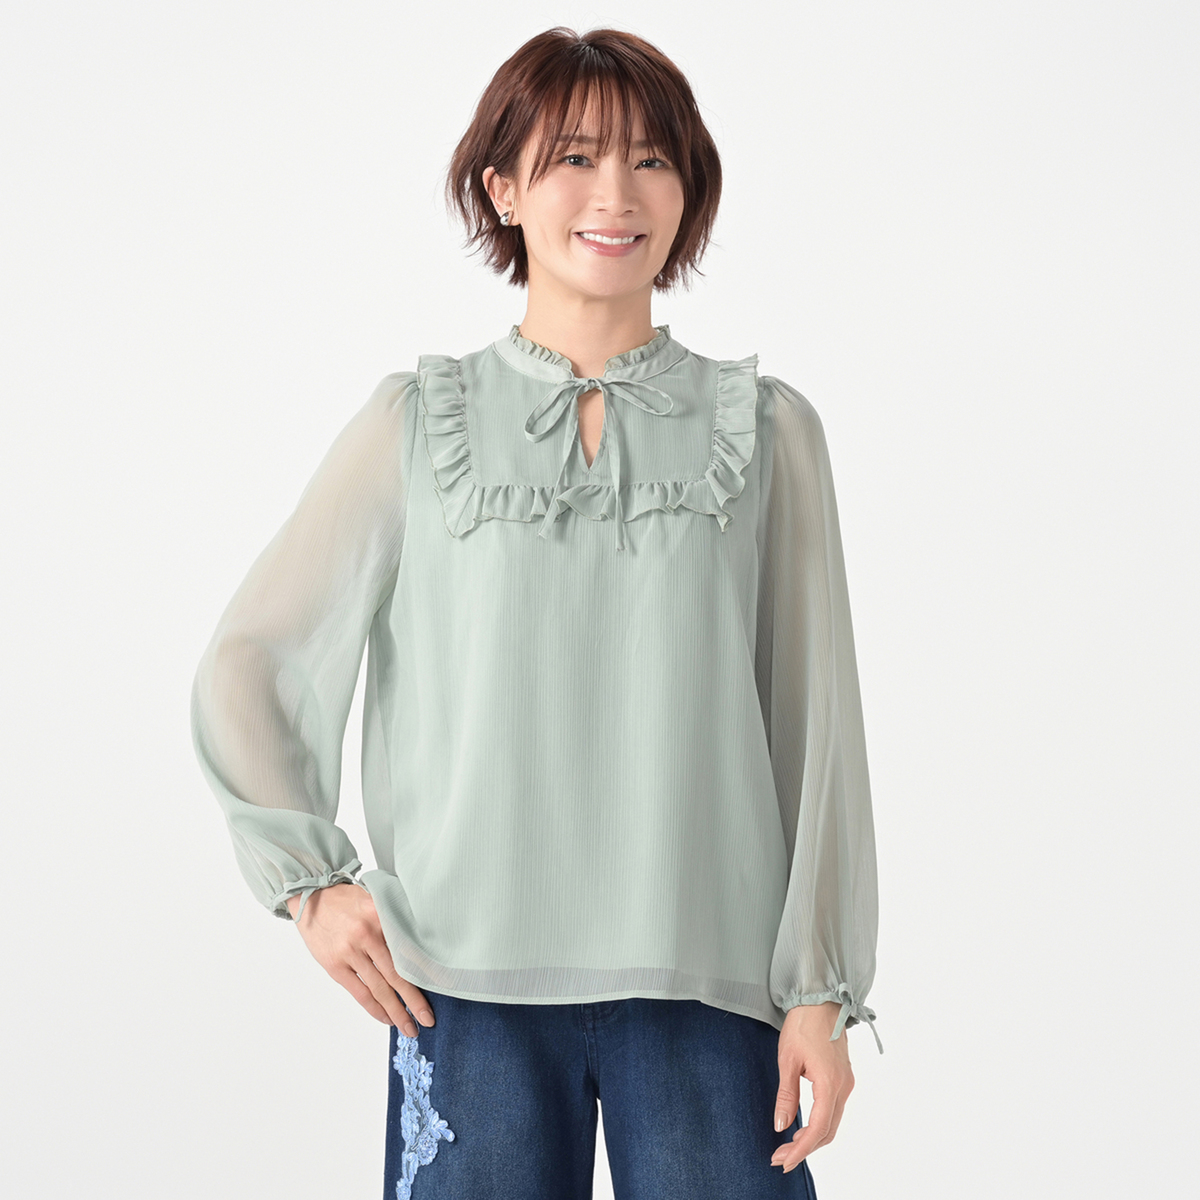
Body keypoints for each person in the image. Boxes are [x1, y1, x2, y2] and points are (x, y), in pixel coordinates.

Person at [190, 24, 882, 1200]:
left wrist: (820, 987)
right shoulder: (417, 423)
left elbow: (817, 725)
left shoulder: (768, 431)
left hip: (713, 984)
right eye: (573, 157)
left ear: (689, 191)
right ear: (503, 187)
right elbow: (252, 661)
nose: (616, 193)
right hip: (462, 984)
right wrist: (312, 885)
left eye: (652, 159)